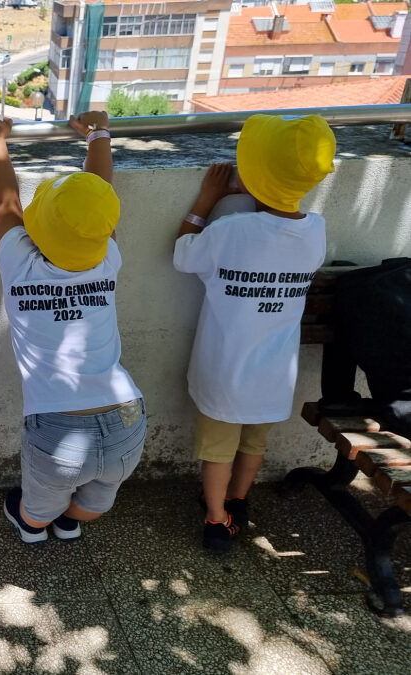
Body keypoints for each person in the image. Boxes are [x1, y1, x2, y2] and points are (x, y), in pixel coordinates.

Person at [0, 113, 146, 545]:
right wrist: (99, 135)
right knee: (92, 504)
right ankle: (73, 517)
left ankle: (35, 523)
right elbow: (98, 197)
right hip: (128, 417)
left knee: (35, 515)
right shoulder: (107, 257)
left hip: (58, 431)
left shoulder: (18, 260)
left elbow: (6, 202)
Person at [173, 114, 335, 551]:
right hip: (275, 371)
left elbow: (183, 254)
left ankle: (214, 519)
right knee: (254, 442)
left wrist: (205, 201)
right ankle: (239, 501)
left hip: (225, 368)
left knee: (218, 448)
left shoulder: (231, 230)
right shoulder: (315, 232)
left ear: (254, 178)